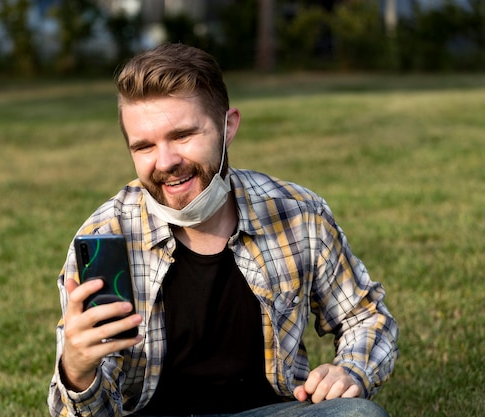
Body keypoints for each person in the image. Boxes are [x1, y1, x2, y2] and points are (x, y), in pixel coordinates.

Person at [47, 43, 399, 417]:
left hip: (267, 412)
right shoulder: (104, 235)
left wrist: (350, 371)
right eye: (144, 146)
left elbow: (365, 315)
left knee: (358, 414)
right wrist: (76, 371)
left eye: (182, 135)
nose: (165, 161)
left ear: (227, 126)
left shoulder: (296, 213)